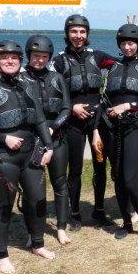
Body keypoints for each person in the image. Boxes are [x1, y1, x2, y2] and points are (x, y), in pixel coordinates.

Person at [0, 40, 55, 273]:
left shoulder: (26, 85)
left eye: (14, 58)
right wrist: (2, 138)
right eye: (5, 58)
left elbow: (40, 120)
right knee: (4, 206)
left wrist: (49, 146)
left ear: (20, 61)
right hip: (1, 157)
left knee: (37, 200)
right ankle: (1, 254)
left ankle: (37, 244)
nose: (10, 61)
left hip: (29, 155)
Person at [92, 23, 138, 242]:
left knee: (131, 180)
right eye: (123, 43)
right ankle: (127, 223)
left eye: (131, 43)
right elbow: (102, 101)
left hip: (133, 127)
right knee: (118, 179)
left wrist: (128, 106)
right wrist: (95, 131)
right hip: (110, 129)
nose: (127, 47)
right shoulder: (112, 66)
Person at [50, 14, 117, 231]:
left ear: (87, 34)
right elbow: (50, 90)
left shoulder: (97, 56)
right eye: (74, 31)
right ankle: (76, 213)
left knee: (100, 167)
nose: (78, 36)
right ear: (67, 34)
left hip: (97, 123)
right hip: (73, 124)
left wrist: (128, 33)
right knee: (76, 169)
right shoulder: (59, 61)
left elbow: (124, 63)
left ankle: (99, 210)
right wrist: (71, 108)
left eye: (82, 32)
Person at [22, 35, 72, 245]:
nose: (40, 60)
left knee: (60, 184)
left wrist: (53, 127)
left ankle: (61, 228)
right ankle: (30, 232)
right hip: (31, 140)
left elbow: (66, 108)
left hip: (56, 137)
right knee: (30, 189)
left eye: (44, 56)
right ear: (29, 56)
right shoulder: (19, 79)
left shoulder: (57, 78)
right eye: (36, 56)